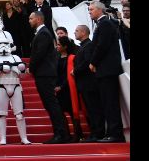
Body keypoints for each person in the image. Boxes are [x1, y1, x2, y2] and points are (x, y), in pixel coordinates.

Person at [27, 11, 69, 143]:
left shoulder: (44, 33)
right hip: (44, 73)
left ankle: (61, 134)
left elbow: (39, 54)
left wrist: (31, 68)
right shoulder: (42, 33)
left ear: (38, 19)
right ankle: (61, 133)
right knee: (49, 104)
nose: (29, 20)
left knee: (51, 104)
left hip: (45, 74)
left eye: (31, 18)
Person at [87, 1, 125, 142]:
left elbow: (102, 46)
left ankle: (115, 134)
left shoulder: (105, 24)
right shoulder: (103, 24)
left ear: (99, 10)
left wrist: (93, 62)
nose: (89, 11)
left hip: (107, 70)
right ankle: (111, 133)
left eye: (91, 9)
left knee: (110, 103)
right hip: (105, 70)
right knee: (107, 103)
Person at [0, 40, 30, 145]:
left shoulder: (15, 57)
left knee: (19, 114)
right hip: (1, 85)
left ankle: (24, 138)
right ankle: (3, 138)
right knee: (1, 114)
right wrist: (0, 68)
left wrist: (22, 70)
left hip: (16, 85)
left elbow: (22, 76)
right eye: (0, 44)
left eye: (5, 44)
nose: (3, 47)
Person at [72, 24, 102, 142]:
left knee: (94, 109)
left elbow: (87, 62)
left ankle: (97, 133)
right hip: (85, 84)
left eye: (77, 30)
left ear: (84, 32)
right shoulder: (83, 46)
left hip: (89, 84)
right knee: (90, 109)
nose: (75, 32)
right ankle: (94, 132)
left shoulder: (89, 46)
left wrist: (75, 70)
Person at [56, 36, 83, 142]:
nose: (57, 46)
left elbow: (70, 75)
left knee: (73, 112)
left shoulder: (72, 58)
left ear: (65, 46)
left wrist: (61, 86)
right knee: (60, 112)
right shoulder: (56, 58)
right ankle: (66, 134)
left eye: (59, 45)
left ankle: (77, 134)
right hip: (58, 89)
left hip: (68, 89)